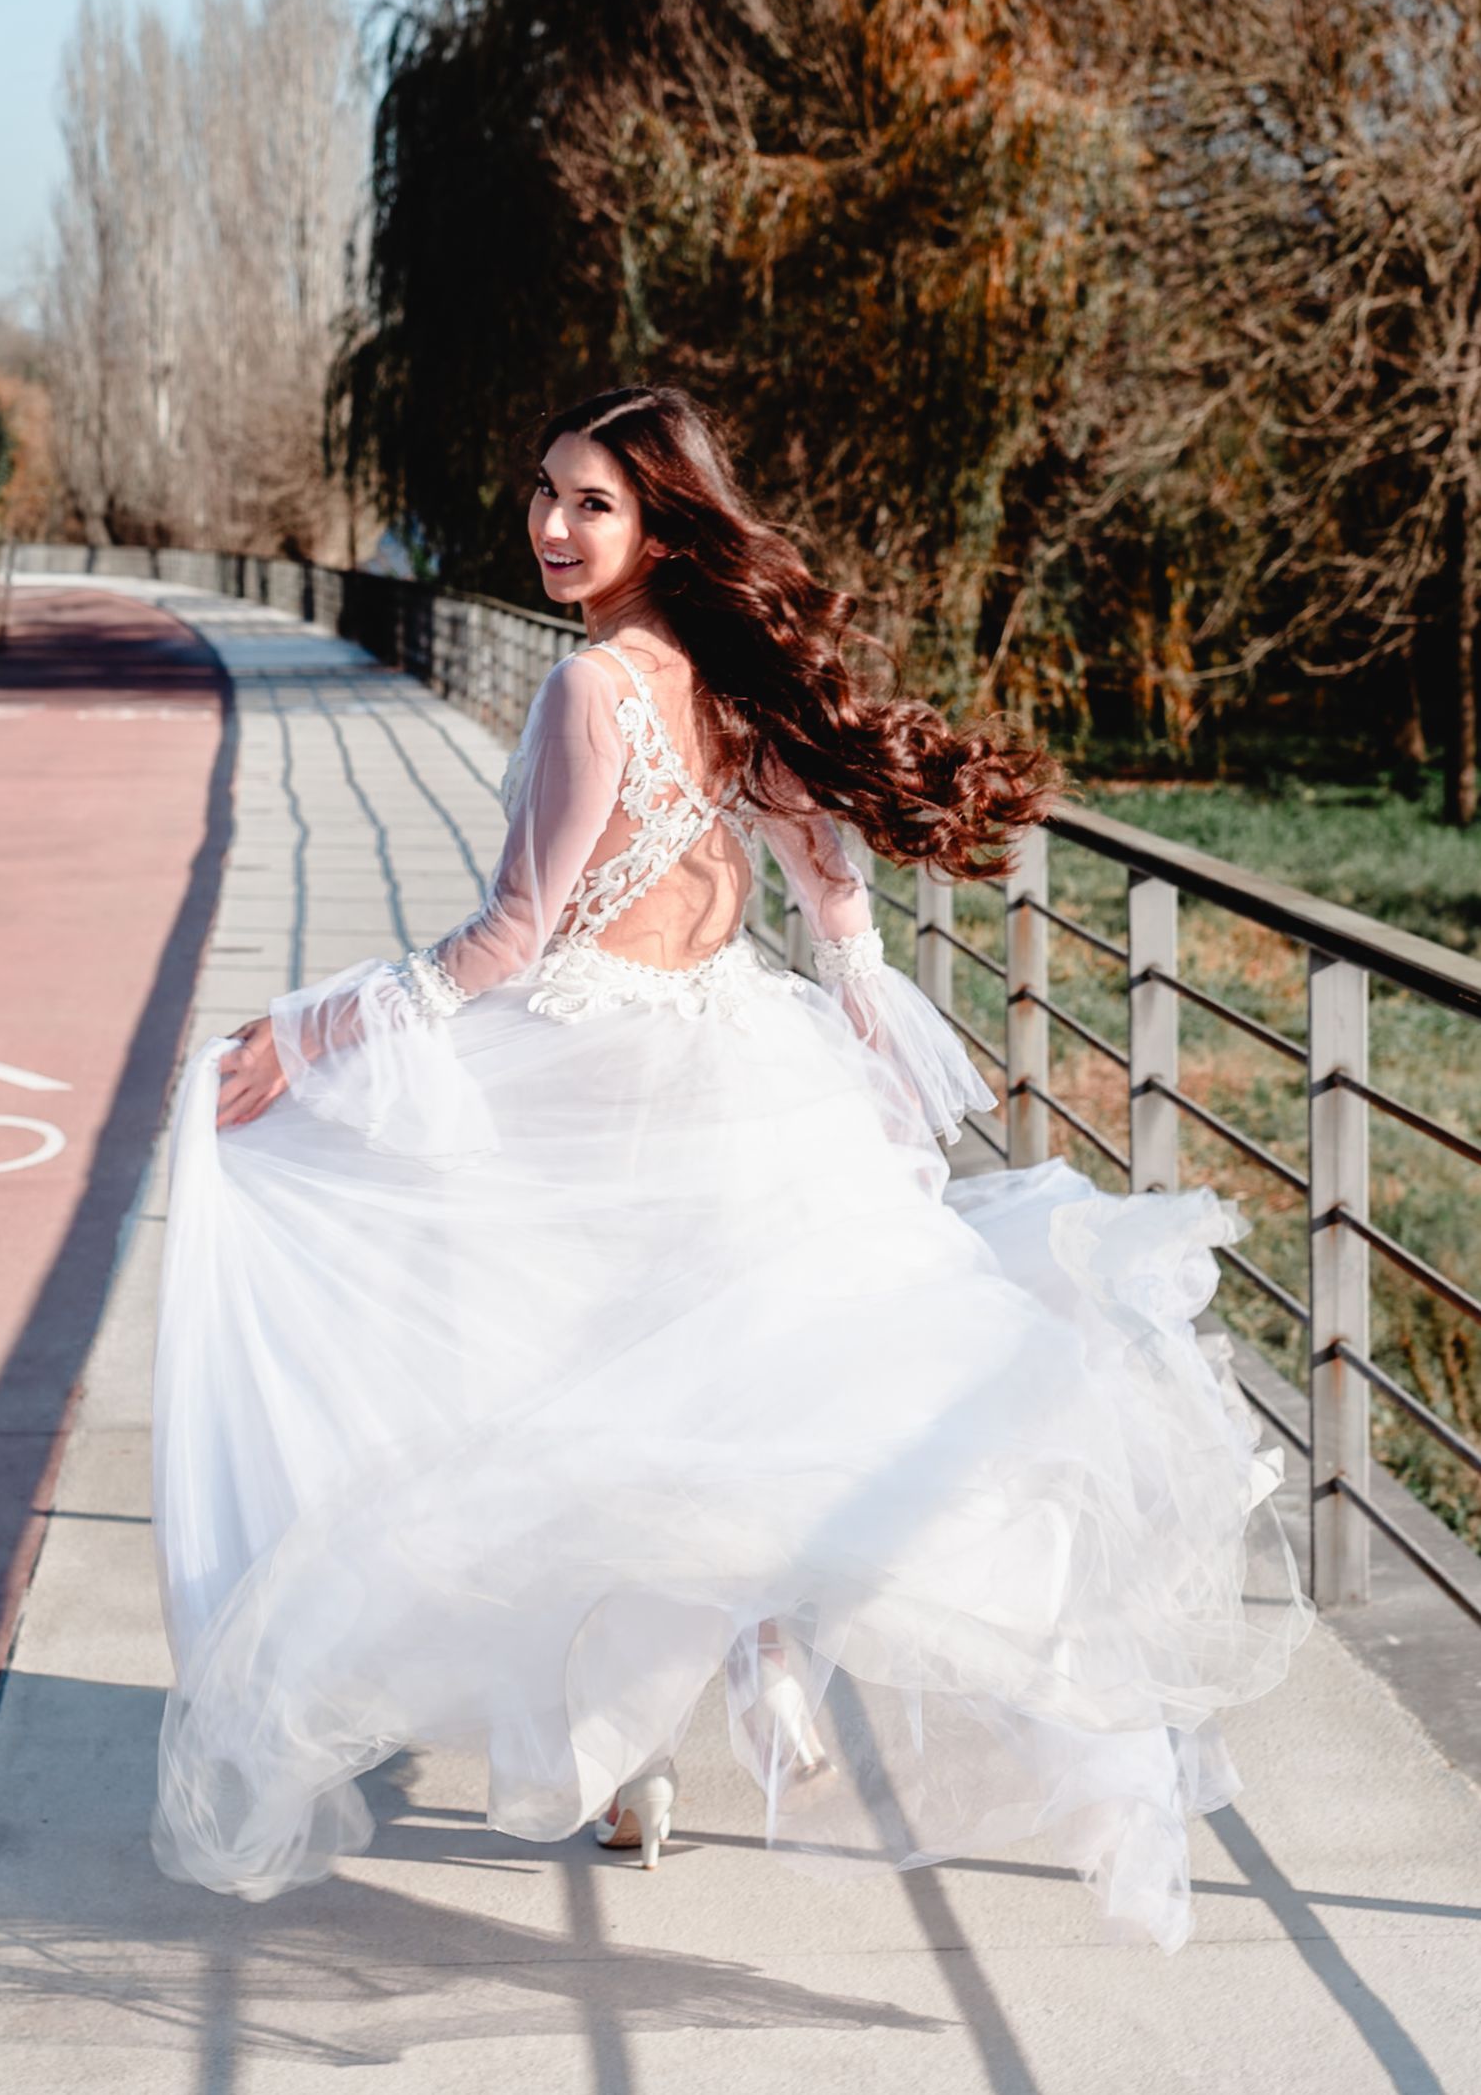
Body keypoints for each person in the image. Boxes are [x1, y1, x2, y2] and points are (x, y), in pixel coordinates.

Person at [150, 384, 1314, 1953]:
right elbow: (837, 909)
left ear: (660, 524)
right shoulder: (737, 685)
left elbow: (509, 939)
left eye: (591, 505)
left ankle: (645, 1724)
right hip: (738, 1065)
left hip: (584, 1089)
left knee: (559, 1418)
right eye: (547, 495)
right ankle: (741, 1649)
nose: (554, 530)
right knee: (703, 1411)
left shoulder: (597, 693)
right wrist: (871, 1066)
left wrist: (308, 1040)